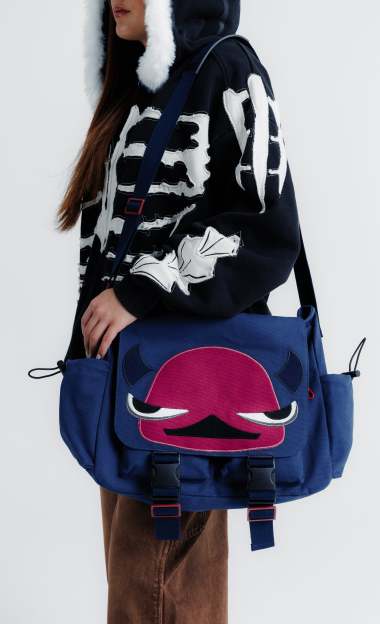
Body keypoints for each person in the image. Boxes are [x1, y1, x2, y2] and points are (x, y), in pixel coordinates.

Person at [57, 1, 301, 622]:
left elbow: (266, 231)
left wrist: (142, 292)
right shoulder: (142, 84)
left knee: (153, 593)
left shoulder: (226, 67)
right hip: (128, 379)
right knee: (146, 591)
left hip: (192, 382)